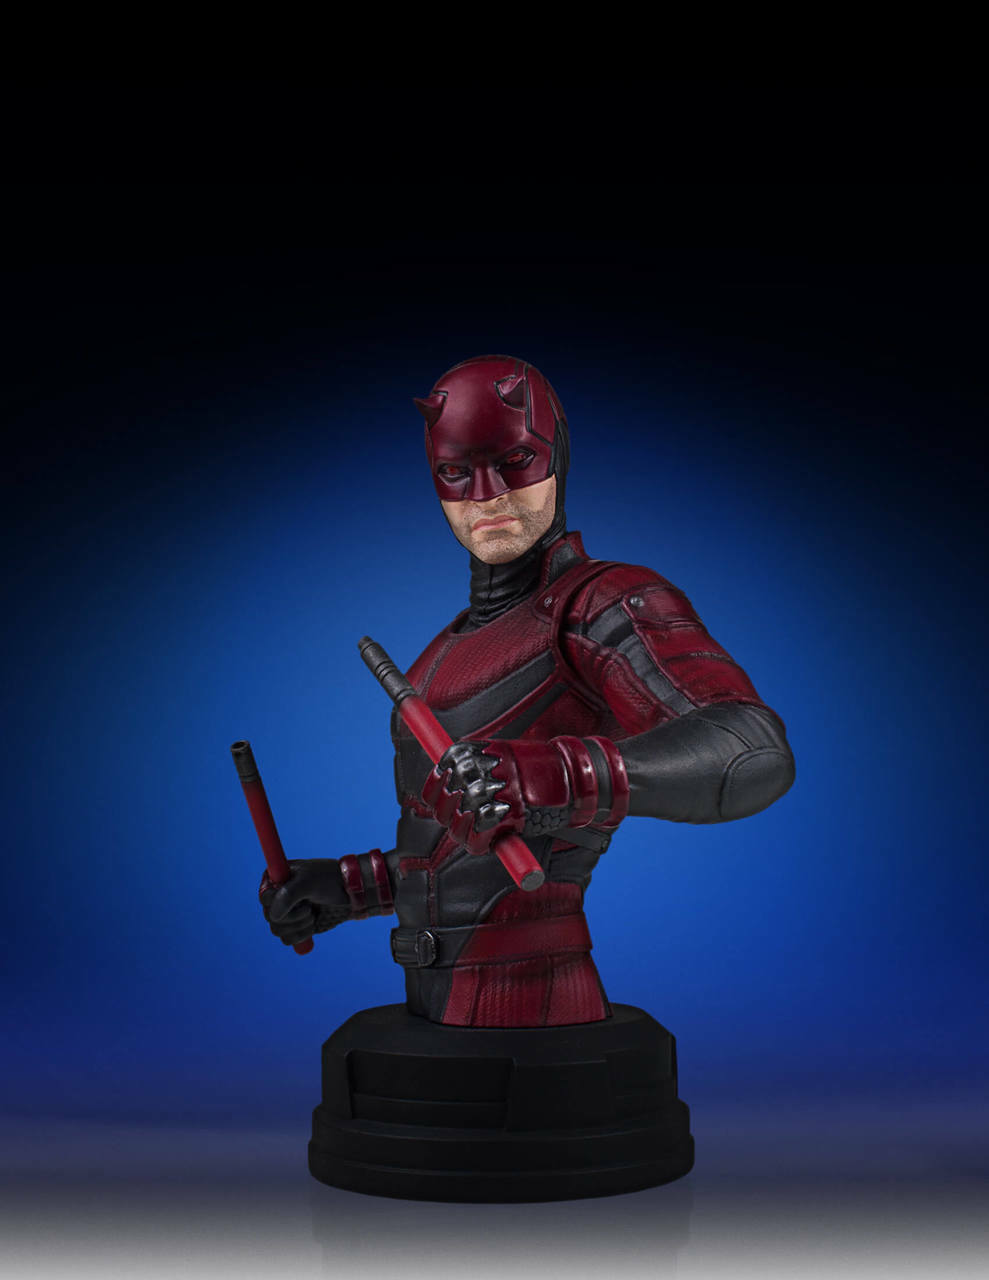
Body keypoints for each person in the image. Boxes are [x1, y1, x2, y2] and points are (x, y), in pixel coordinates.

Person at [260, 355, 795, 1028]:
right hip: (431, 1008)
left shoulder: (602, 604)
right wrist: (348, 886)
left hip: (539, 1002)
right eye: (455, 472)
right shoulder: (437, 658)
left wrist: (560, 774)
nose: (486, 496)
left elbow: (749, 749)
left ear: (557, 456)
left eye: (514, 460)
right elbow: (456, 854)